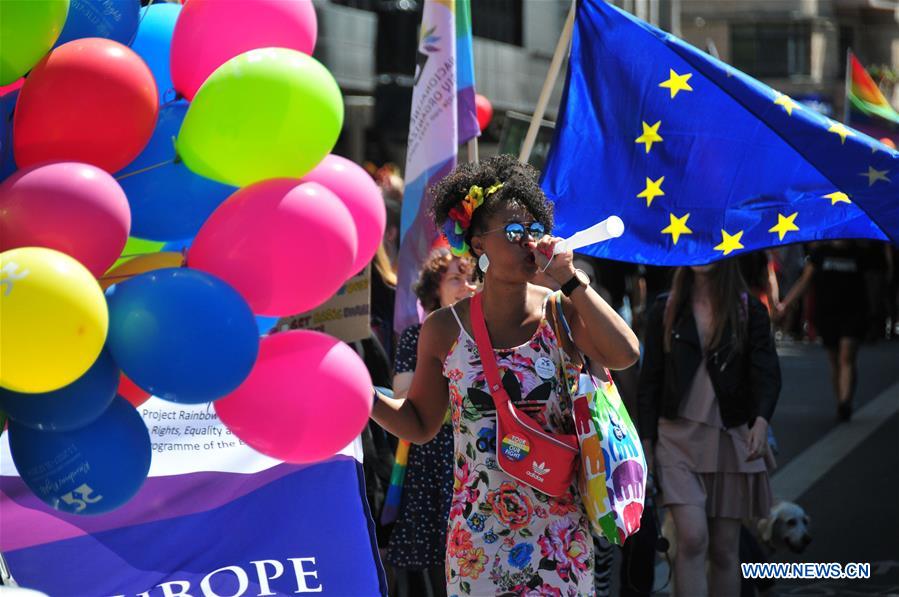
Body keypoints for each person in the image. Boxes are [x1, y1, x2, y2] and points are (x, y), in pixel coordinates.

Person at [371, 154, 640, 595]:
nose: (530, 243)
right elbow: (419, 424)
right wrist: (363, 397)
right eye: (515, 233)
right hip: (478, 544)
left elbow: (625, 353)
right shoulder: (443, 329)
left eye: (536, 231)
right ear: (478, 244)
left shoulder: (561, 311)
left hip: (560, 539)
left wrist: (571, 280)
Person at [638, 260, 781, 597]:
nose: (704, 254)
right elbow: (649, 383)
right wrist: (646, 446)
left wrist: (761, 421)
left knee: (724, 548)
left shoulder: (749, 310)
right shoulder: (666, 308)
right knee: (691, 537)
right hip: (675, 439)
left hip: (732, 439)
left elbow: (767, 373)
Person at [387, 248, 477, 597]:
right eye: (455, 278)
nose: (466, 286)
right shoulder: (416, 336)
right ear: (434, 289)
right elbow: (403, 394)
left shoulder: (487, 334)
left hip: (472, 454)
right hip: (433, 455)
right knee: (440, 555)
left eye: (471, 278)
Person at [775, 240, 868, 421]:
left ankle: (845, 403)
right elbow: (805, 281)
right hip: (827, 314)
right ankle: (841, 398)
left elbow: (872, 281)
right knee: (835, 360)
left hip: (854, 313)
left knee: (846, 356)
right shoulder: (820, 254)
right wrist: (785, 305)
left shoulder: (859, 253)